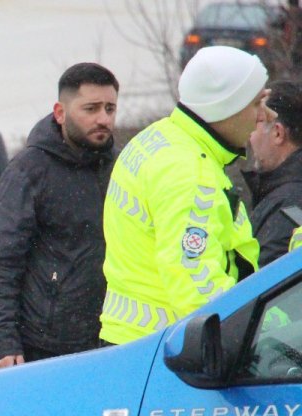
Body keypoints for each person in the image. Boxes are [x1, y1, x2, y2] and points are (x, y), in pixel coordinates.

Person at [100, 46, 266, 346]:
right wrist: (258, 334)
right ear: (227, 108)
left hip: (131, 340)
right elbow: (196, 282)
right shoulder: (189, 172)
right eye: (256, 104)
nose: (265, 116)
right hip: (166, 349)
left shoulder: (160, 137)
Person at [0, 63, 119, 368]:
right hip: (44, 348)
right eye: (91, 108)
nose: (103, 119)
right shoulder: (29, 171)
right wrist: (3, 342)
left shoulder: (124, 169)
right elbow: (1, 264)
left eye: (110, 109)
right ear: (60, 112)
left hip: (114, 341)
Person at [244, 81, 302, 267]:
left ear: (278, 133)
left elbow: (264, 281)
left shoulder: (288, 205)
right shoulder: (286, 198)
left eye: (256, 122)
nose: (249, 135)